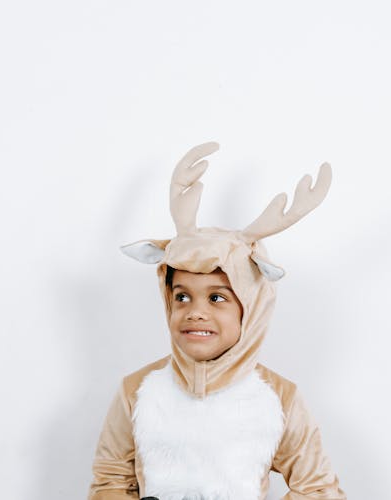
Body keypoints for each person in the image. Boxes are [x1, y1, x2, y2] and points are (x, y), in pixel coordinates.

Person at [88, 142, 347, 499]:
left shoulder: (280, 398)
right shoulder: (136, 392)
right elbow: (111, 479)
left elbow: (318, 489)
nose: (196, 311)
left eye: (216, 297)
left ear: (250, 306)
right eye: (182, 296)